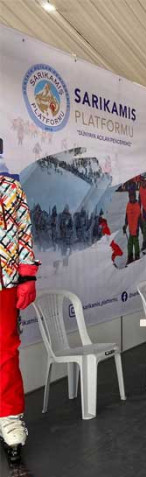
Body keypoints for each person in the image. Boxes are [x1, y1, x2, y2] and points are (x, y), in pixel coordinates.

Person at [0, 174, 39, 450]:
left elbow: (23, 232)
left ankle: (9, 416)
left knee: (5, 350)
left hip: (3, 281)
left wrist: (27, 276)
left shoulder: (9, 187)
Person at [123, 190, 142, 264]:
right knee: (130, 244)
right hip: (131, 228)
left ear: (135, 197)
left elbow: (139, 217)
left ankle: (137, 255)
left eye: (133, 197)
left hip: (136, 228)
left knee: (135, 242)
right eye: (130, 197)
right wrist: (125, 225)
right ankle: (130, 257)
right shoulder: (128, 205)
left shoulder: (137, 205)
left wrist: (140, 227)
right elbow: (127, 216)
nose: (131, 198)